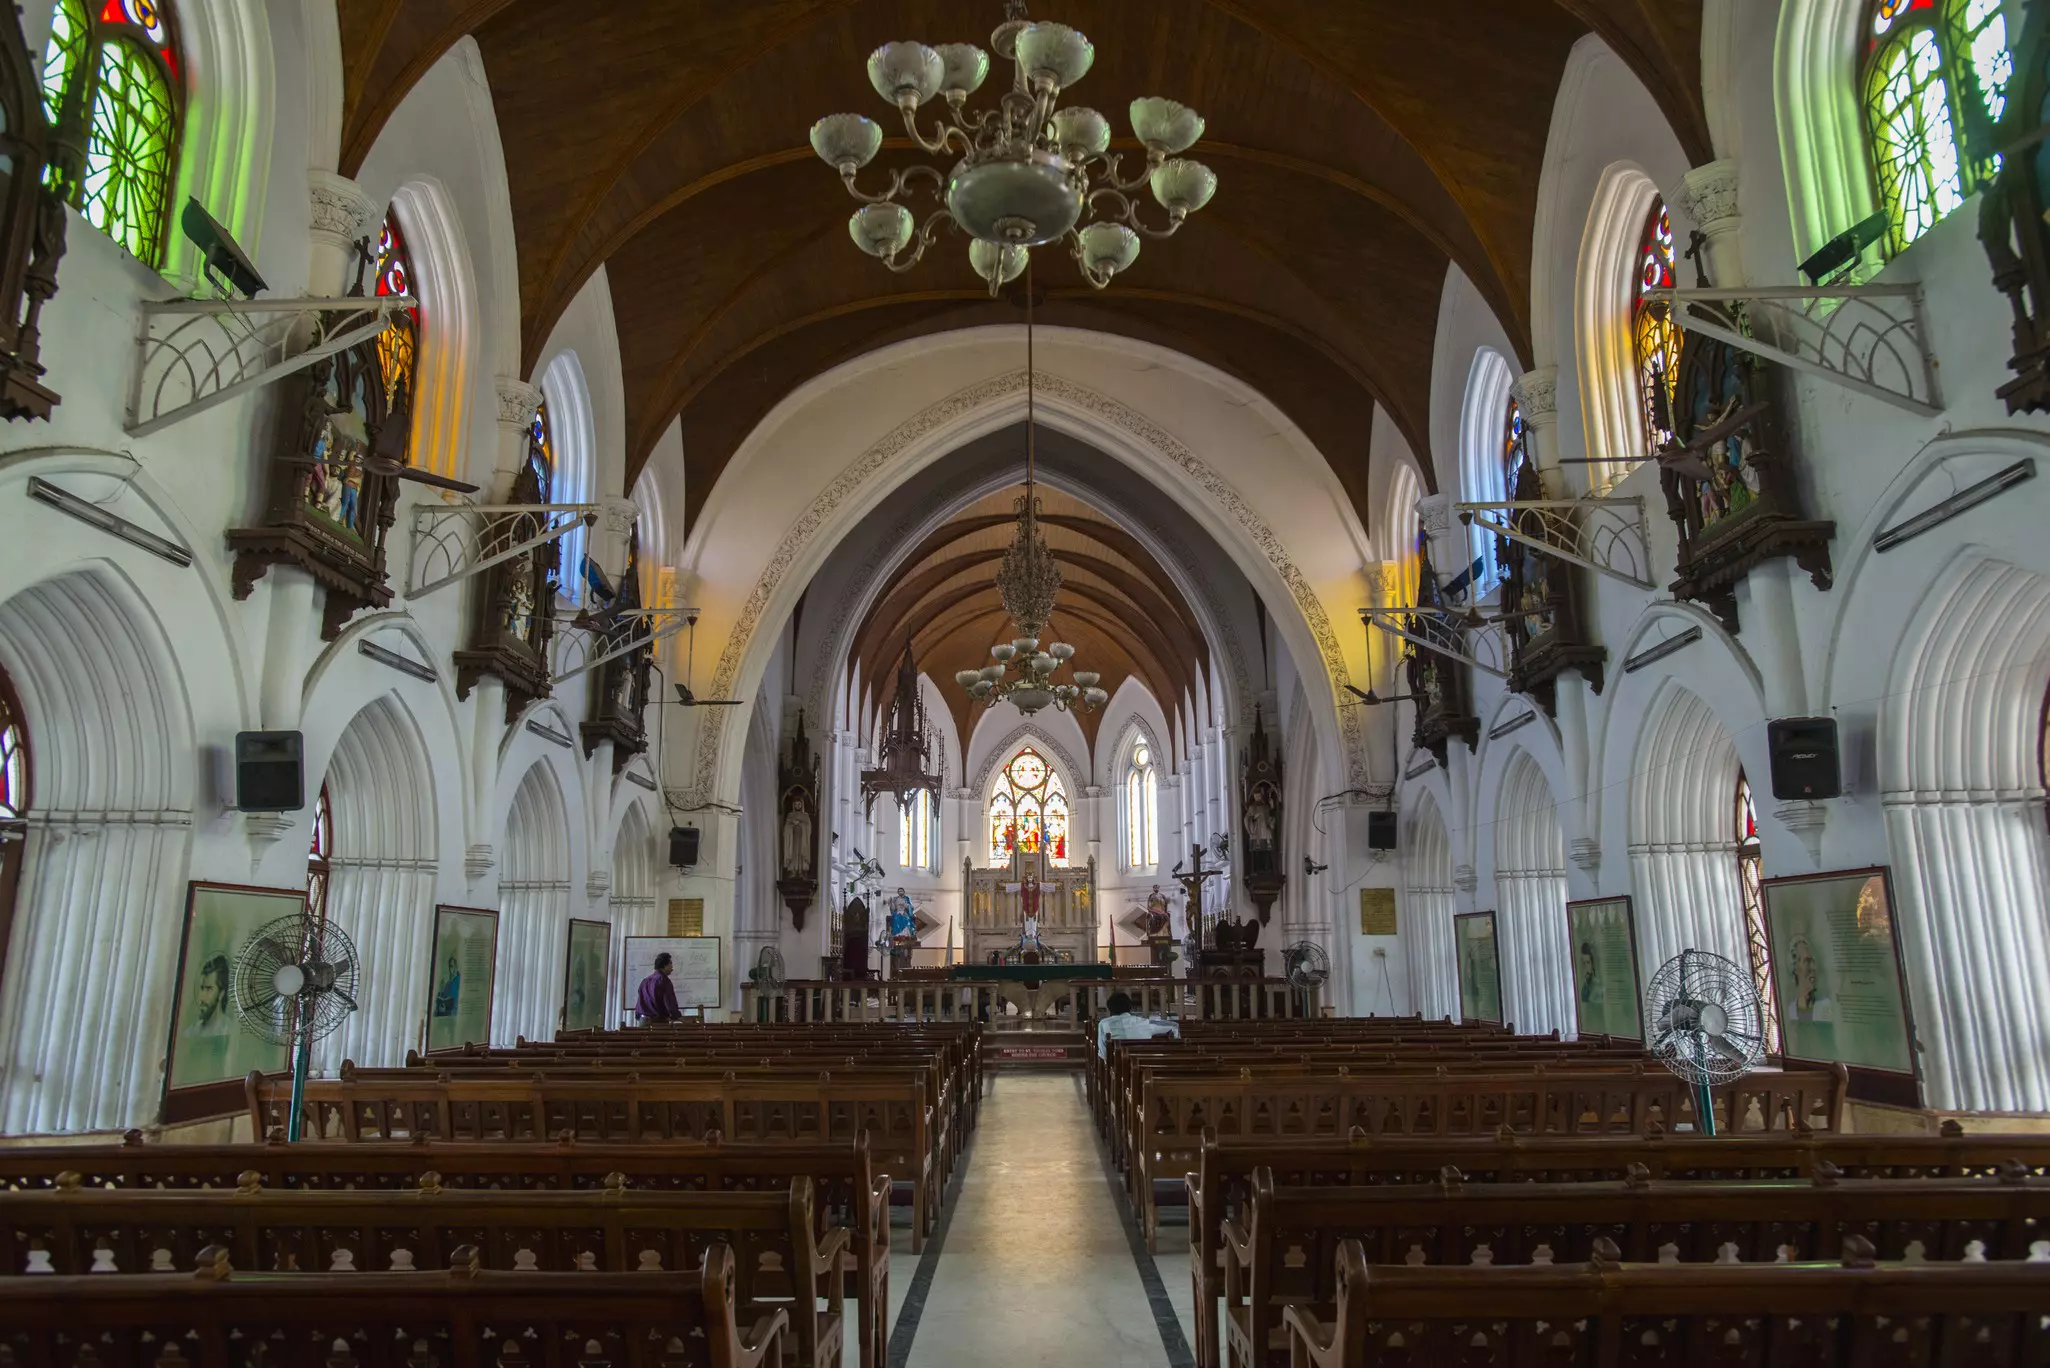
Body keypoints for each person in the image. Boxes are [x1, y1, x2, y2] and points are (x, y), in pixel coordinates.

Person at [1096, 989, 1178, 1059]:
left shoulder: (1104, 1024)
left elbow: (1103, 1054)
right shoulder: (1145, 1023)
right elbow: (1174, 1026)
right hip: (1143, 1067)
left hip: (1115, 1069)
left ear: (1110, 1009)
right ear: (1130, 1007)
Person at [636, 951, 682, 1022]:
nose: (672, 967)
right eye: (670, 964)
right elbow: (670, 1002)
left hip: (643, 1021)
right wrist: (677, 1017)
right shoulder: (664, 981)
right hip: (658, 1022)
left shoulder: (645, 981)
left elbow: (640, 1000)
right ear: (664, 966)